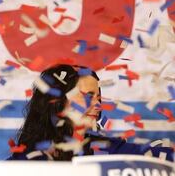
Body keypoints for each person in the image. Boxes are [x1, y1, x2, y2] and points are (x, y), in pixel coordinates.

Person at [9, 64, 173, 161]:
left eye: (98, 97)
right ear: (57, 100)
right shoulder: (25, 160)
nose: (97, 105)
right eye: (87, 96)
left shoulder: (106, 149)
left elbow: (159, 155)